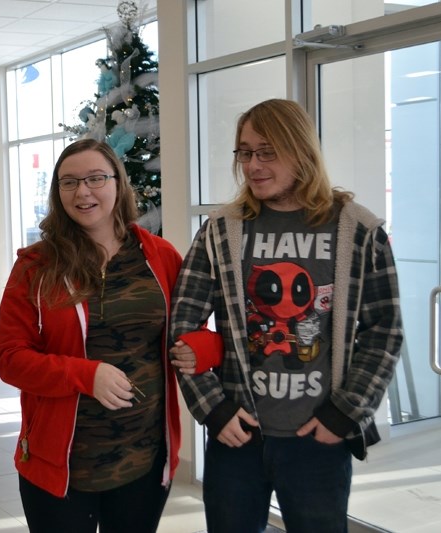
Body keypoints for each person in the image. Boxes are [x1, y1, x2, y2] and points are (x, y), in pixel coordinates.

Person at [169, 98, 404, 533]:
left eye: (267, 151)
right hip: (237, 434)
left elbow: (384, 332)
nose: (253, 164)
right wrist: (213, 410)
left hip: (319, 438)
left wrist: (346, 414)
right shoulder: (221, 232)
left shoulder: (359, 230)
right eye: (245, 152)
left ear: (301, 150)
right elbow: (183, 325)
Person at [0, 139, 183, 533]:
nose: (82, 192)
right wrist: (85, 375)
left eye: (96, 178)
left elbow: (188, 331)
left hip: (142, 458)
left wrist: (201, 349)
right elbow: (10, 358)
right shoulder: (35, 267)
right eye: (69, 182)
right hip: (62, 465)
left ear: (118, 183)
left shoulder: (160, 257)